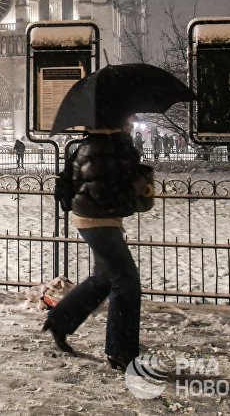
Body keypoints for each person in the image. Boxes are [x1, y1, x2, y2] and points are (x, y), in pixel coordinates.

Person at [43, 113, 145, 371]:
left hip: (98, 219)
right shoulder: (103, 146)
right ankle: (120, 351)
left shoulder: (105, 144)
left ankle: (60, 321)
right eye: (127, 119)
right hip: (97, 220)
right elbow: (103, 188)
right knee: (126, 282)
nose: (131, 122)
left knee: (103, 279)